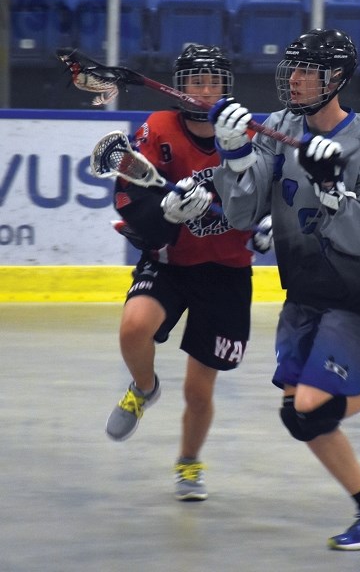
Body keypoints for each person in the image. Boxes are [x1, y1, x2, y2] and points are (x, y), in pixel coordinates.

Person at [208, 29, 360, 550]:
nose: (294, 78)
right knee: (299, 416)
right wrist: (235, 156)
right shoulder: (279, 127)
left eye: (308, 70)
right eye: (291, 68)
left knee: (312, 408)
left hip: (355, 294)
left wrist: (334, 191)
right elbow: (243, 216)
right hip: (304, 294)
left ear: (336, 81)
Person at [104, 44, 273, 501]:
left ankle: (189, 462)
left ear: (226, 88)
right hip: (171, 261)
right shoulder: (157, 129)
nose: (204, 90)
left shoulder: (249, 134)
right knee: (133, 327)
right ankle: (144, 387)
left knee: (200, 391)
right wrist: (167, 212)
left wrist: (272, 225)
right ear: (179, 89)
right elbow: (126, 200)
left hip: (227, 271)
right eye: (195, 81)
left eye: (213, 82)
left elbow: (275, 192)